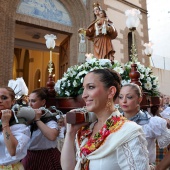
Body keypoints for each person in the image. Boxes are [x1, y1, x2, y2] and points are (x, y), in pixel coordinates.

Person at [61, 69, 150, 170]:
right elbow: (67, 168)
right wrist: (70, 133)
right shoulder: (86, 130)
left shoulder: (128, 131)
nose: (84, 95)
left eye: (91, 87)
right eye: (84, 89)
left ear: (111, 92)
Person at [119, 83, 170, 166]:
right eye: (121, 97)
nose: (124, 101)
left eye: (129, 97)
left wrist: (159, 168)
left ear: (139, 99)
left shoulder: (152, 123)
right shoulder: (112, 121)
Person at [21, 87, 62, 170]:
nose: (30, 105)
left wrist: (37, 119)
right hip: (29, 157)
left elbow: (52, 136)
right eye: (29, 101)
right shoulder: (26, 118)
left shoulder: (49, 118)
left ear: (43, 102)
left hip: (46, 158)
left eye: (33, 101)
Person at [0, 86, 30, 169]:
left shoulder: (19, 124)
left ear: (12, 101)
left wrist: (5, 123)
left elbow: (13, 151)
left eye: (4, 98)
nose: (0, 101)